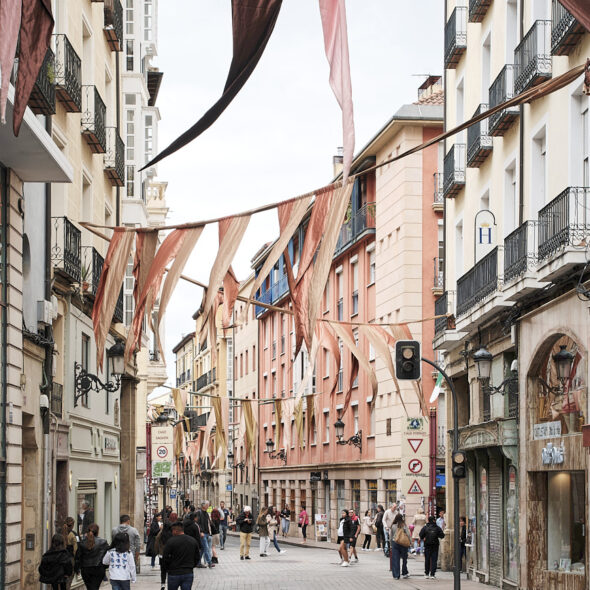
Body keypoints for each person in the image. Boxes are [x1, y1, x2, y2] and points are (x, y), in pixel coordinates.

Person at [162, 522, 200, 590]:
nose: (172, 533)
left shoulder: (170, 541)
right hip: (187, 572)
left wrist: (168, 568)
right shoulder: (193, 541)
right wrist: (191, 566)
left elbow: (165, 558)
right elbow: (197, 557)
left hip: (174, 573)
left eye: (172, 530)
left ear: (175, 531)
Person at [74, 523, 108, 590]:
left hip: (86, 569)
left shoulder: (82, 543)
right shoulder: (103, 542)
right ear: (97, 531)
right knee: (95, 587)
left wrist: (77, 569)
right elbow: (107, 556)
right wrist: (105, 566)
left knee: (90, 587)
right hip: (98, 568)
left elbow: (78, 557)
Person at [155, 513, 179, 590]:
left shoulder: (162, 532)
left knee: (163, 570)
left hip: (162, 554)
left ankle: (162, 584)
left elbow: (157, 541)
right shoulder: (174, 533)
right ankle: (170, 584)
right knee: (171, 570)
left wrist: (157, 552)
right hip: (172, 555)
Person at [419, 515, 445, 580]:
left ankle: (427, 573)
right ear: (434, 520)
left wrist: (425, 537)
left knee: (427, 559)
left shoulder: (425, 527)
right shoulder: (437, 527)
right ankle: (432, 574)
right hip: (435, 545)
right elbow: (442, 535)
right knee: (434, 560)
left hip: (427, 545)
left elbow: (421, 535)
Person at [390, 513, 411, 580]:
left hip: (395, 543)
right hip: (403, 544)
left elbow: (390, 537)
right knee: (404, 559)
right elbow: (408, 534)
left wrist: (390, 545)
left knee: (396, 559)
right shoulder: (404, 526)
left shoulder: (393, 526)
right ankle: (404, 572)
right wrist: (410, 542)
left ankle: (396, 575)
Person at [196, 501, 214, 568]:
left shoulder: (206, 513)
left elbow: (208, 523)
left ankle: (198, 563)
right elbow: (198, 523)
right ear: (204, 506)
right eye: (207, 505)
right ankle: (209, 563)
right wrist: (201, 532)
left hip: (207, 533)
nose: (208, 506)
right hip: (202, 533)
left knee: (203, 549)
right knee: (206, 548)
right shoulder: (199, 513)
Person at [62, 517, 78, 590]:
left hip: (61, 559)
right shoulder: (73, 534)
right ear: (72, 525)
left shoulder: (59, 533)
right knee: (69, 580)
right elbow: (76, 549)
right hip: (70, 559)